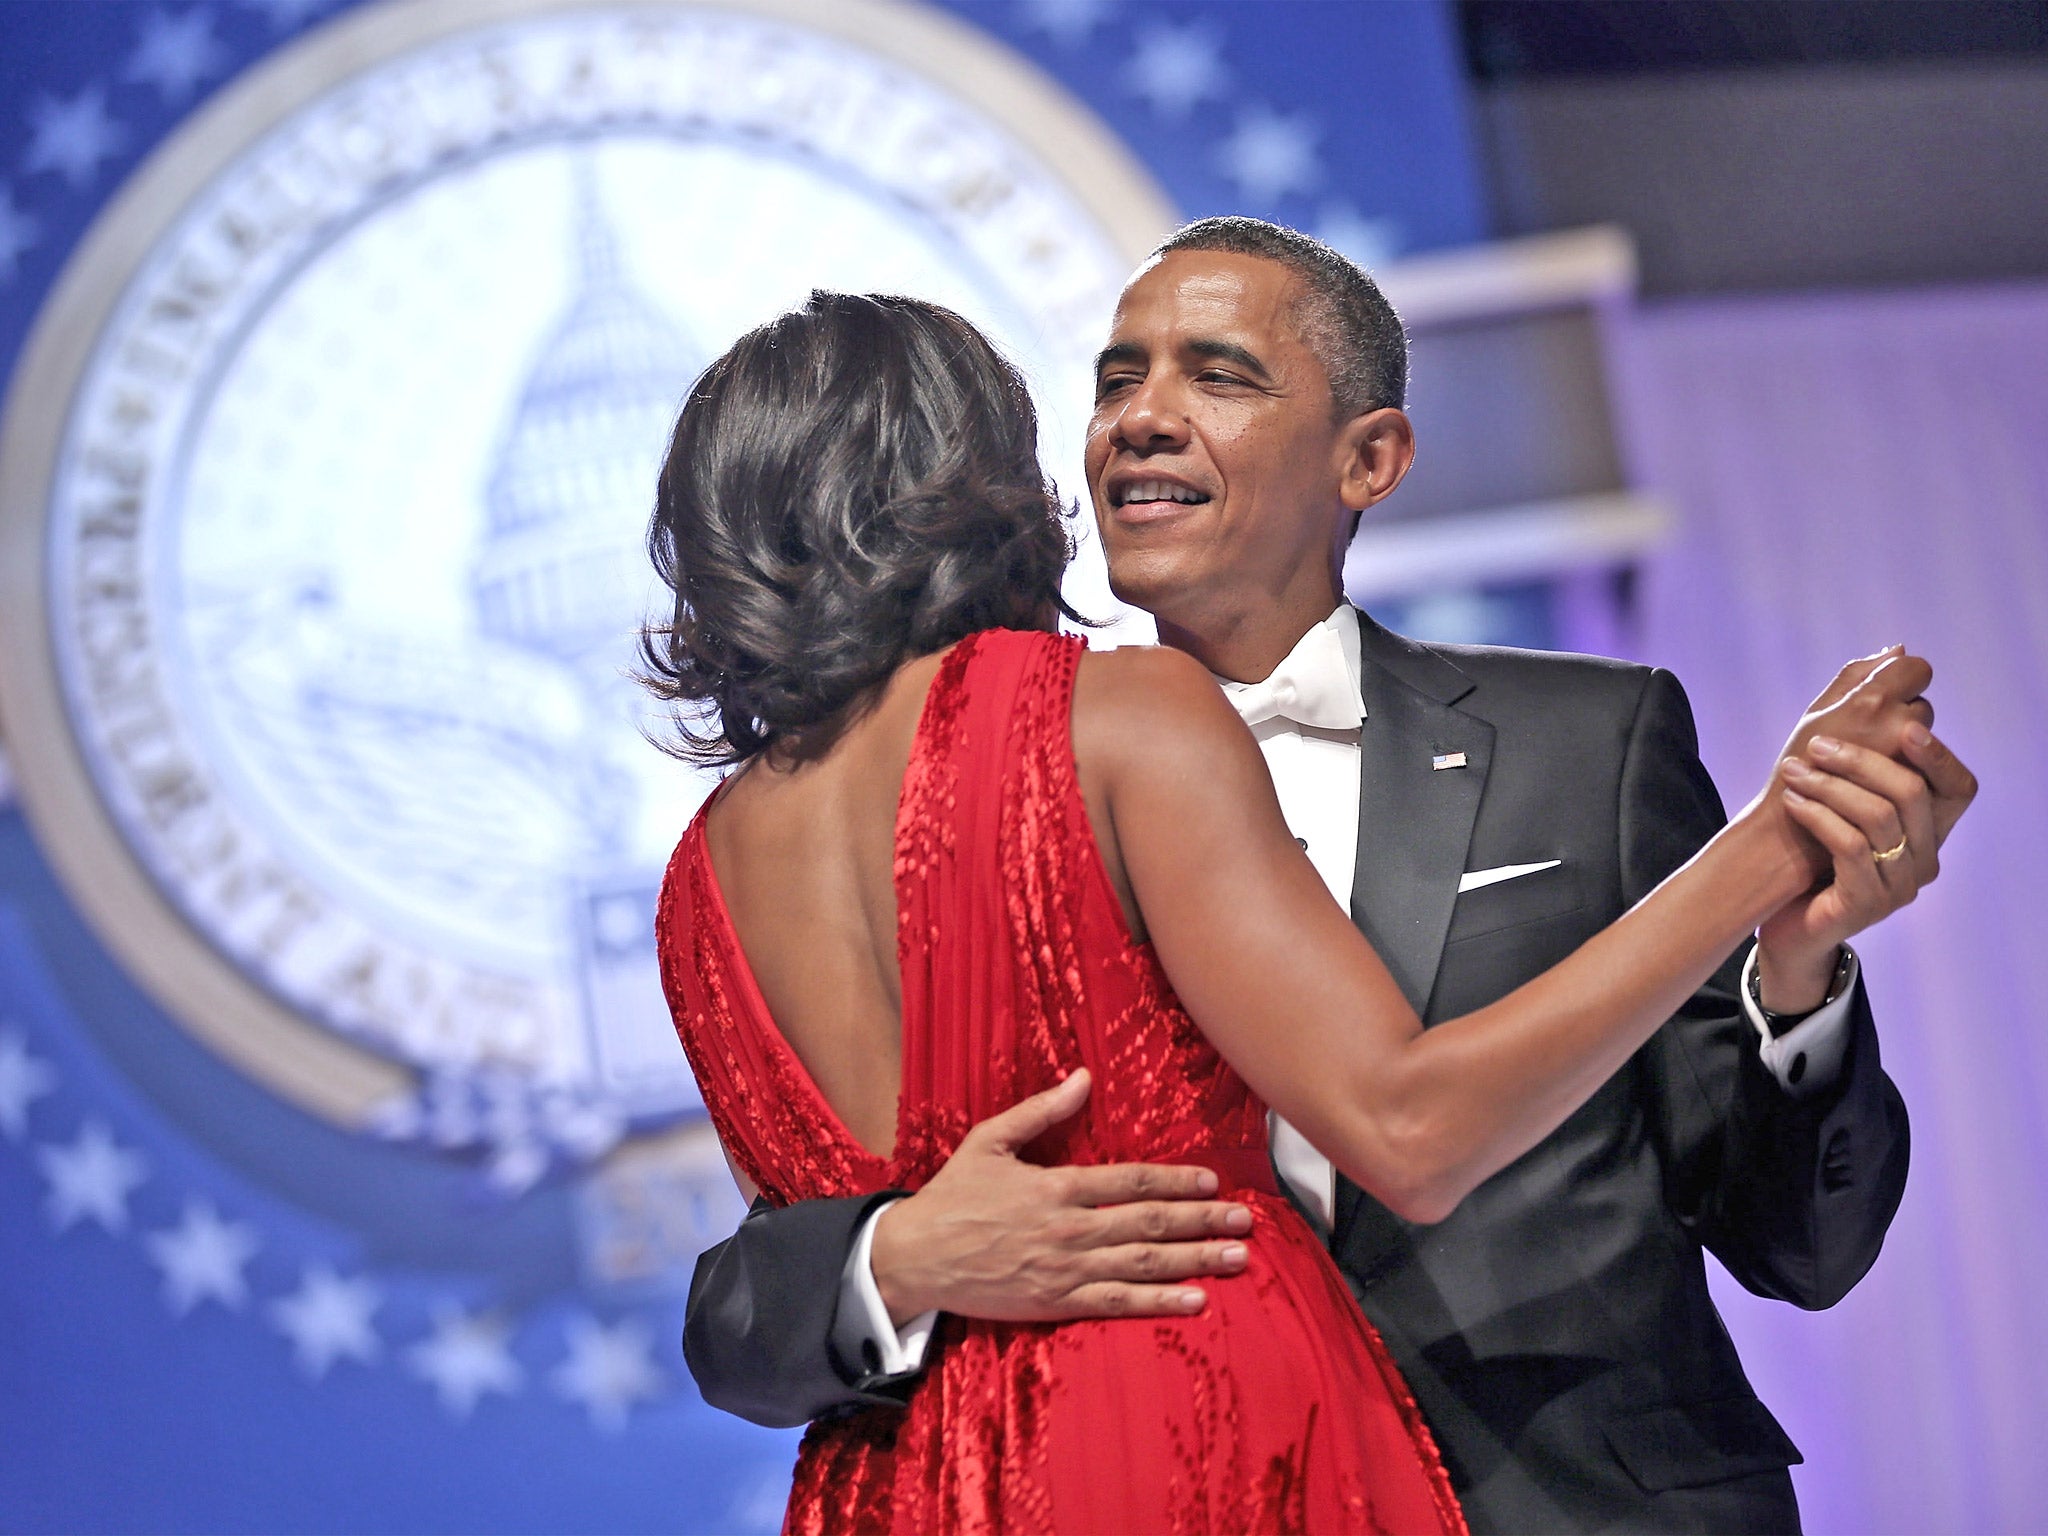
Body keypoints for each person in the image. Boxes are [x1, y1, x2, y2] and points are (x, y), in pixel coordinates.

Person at [678, 223, 1980, 1535]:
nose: (1141, 419)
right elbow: (753, 1305)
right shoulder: (1102, 731)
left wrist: (1794, 974)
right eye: (1115, 381)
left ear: (1371, 457)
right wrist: (891, 1257)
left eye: (1220, 376)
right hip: (1182, 1456)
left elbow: (1793, 1241)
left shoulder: (1594, 742)